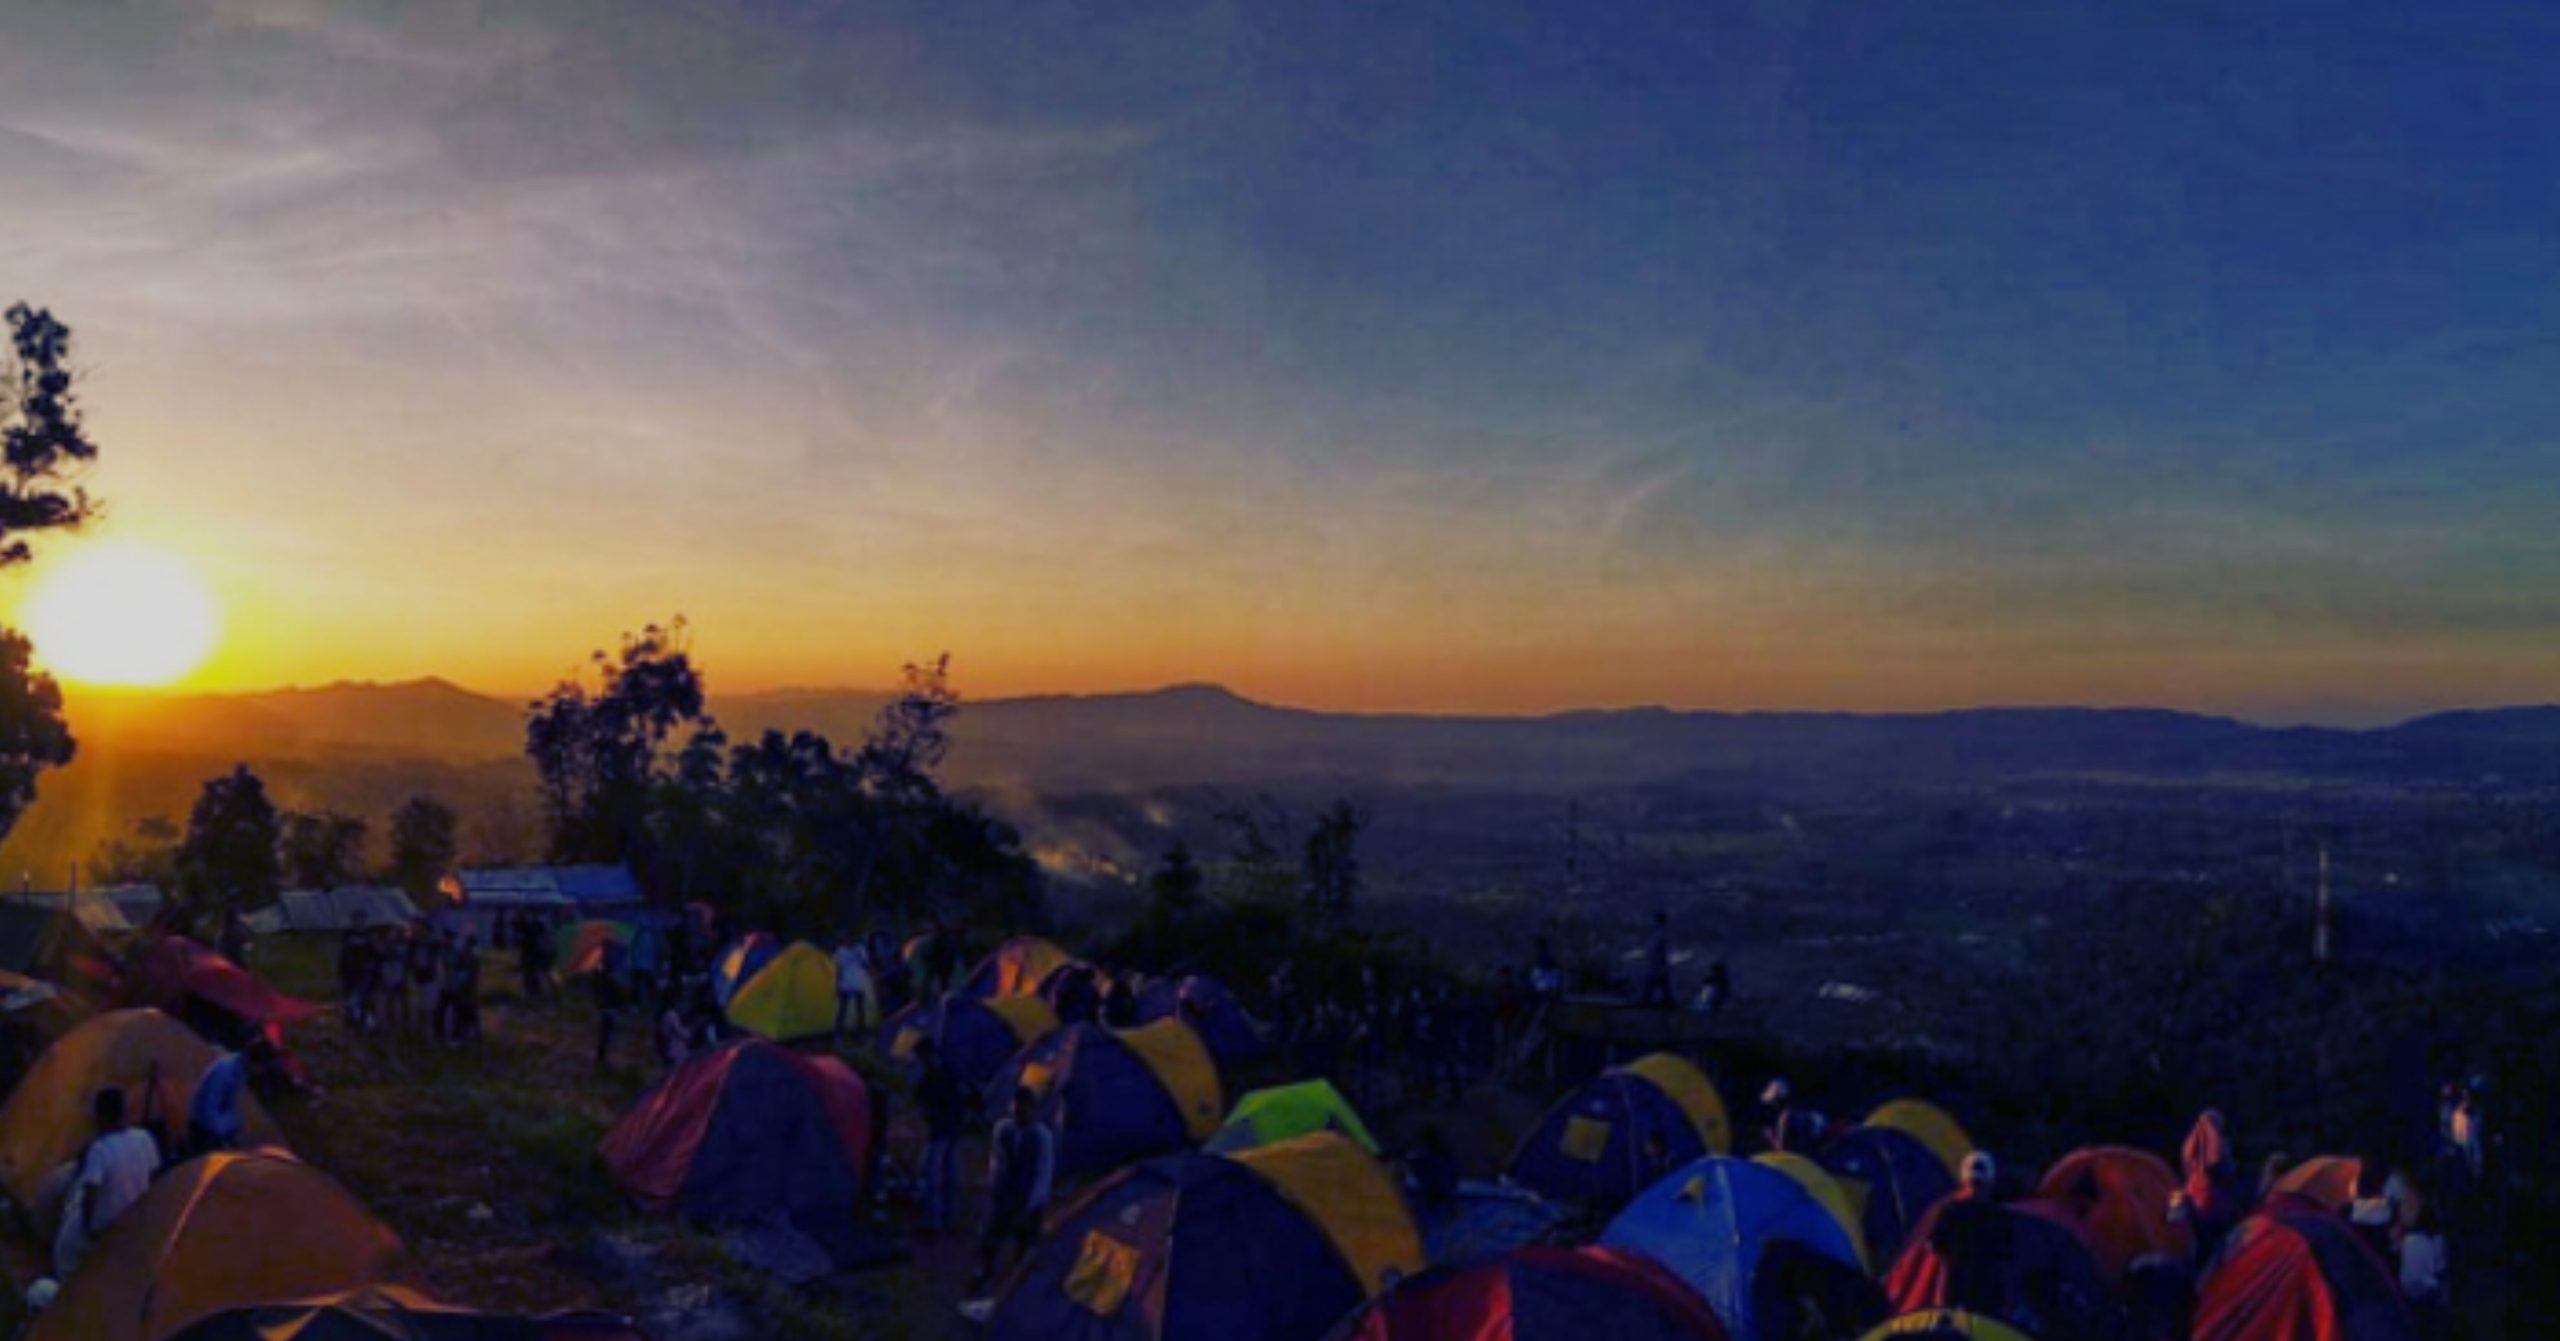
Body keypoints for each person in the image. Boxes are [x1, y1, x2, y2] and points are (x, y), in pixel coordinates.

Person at [56, 1089, 161, 1276]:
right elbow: (155, 1177)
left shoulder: (100, 1149)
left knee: (64, 1249)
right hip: (134, 1222)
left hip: (105, 1227)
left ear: (102, 1116)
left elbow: (91, 1192)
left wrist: (89, 1229)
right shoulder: (144, 1138)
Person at [974, 1085, 1055, 1294]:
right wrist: (993, 1186)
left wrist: (1032, 1206)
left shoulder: (1042, 1137)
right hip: (1006, 1193)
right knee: (989, 1237)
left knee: (1025, 1245)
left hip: (1028, 1197)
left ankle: (1019, 1284)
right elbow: (998, 1161)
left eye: (1026, 1108)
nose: (1021, 1112)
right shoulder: (1003, 1129)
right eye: (1018, 1107)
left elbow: (1042, 1174)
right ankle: (985, 1274)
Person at [916, 1038, 968, 1233]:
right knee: (950, 1174)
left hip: (940, 1130)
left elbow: (925, 1100)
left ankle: (935, 1220)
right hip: (952, 1128)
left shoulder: (933, 1077)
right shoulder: (948, 1072)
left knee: (932, 1175)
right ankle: (950, 1216)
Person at [2399, 1204, 2449, 1338]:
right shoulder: (2436, 1240)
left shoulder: (2409, 1240)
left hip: (2411, 1294)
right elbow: (2440, 1270)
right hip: (2428, 1294)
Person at [186, 1049, 248, 1156]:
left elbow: (228, 1104)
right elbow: (208, 1113)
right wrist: (227, 1136)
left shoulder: (238, 1070)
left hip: (214, 1127)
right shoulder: (225, 1072)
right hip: (204, 1131)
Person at [833, 936, 874, 1041]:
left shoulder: (860, 949)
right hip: (845, 983)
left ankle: (861, 1033)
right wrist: (837, 984)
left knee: (860, 1009)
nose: (848, 940)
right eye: (846, 939)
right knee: (843, 1009)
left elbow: (866, 965)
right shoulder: (840, 951)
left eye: (850, 939)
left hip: (857, 983)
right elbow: (838, 969)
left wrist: (860, 957)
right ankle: (839, 1034)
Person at [1637, 911, 1674, 1008]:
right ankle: (1666, 1001)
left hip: (1657, 965)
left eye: (1654, 920)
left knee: (1653, 983)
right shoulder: (1658, 934)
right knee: (1661, 984)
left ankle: (1646, 1001)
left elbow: (1657, 950)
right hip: (1657, 965)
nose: (1652, 922)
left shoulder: (1661, 934)